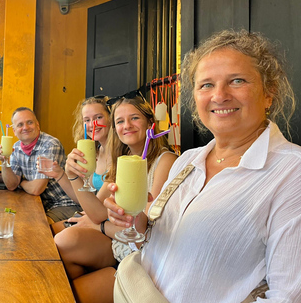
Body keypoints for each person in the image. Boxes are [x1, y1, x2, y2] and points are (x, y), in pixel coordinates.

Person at [105, 30, 301, 302]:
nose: (219, 96)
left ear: (269, 93)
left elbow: (287, 296)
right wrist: (134, 219)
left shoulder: (292, 173)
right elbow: (157, 241)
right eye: (206, 85)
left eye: (237, 81)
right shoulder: (188, 160)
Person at [55, 93, 177, 302]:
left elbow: (146, 232)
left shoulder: (165, 160)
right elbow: (97, 212)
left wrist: (99, 227)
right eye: (120, 121)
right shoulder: (123, 161)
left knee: (68, 292)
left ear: (150, 122)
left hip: (142, 257)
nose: (126, 125)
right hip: (118, 245)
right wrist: (74, 176)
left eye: (134, 118)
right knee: (63, 255)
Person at [39, 96, 112, 233]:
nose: (92, 124)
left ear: (110, 118)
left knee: (50, 235)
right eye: (87, 120)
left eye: (98, 117)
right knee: (44, 232)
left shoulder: (118, 154)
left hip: (105, 223)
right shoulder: (95, 151)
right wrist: (59, 174)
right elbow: (83, 197)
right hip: (92, 214)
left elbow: (95, 206)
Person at [0, 107, 82, 223]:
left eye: (29, 122)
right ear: (14, 131)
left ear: (37, 125)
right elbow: (11, 185)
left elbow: (37, 189)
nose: (25, 127)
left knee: (38, 227)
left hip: (64, 203)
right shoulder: (15, 148)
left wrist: (21, 182)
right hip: (41, 203)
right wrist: (4, 162)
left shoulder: (50, 144)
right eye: (20, 125)